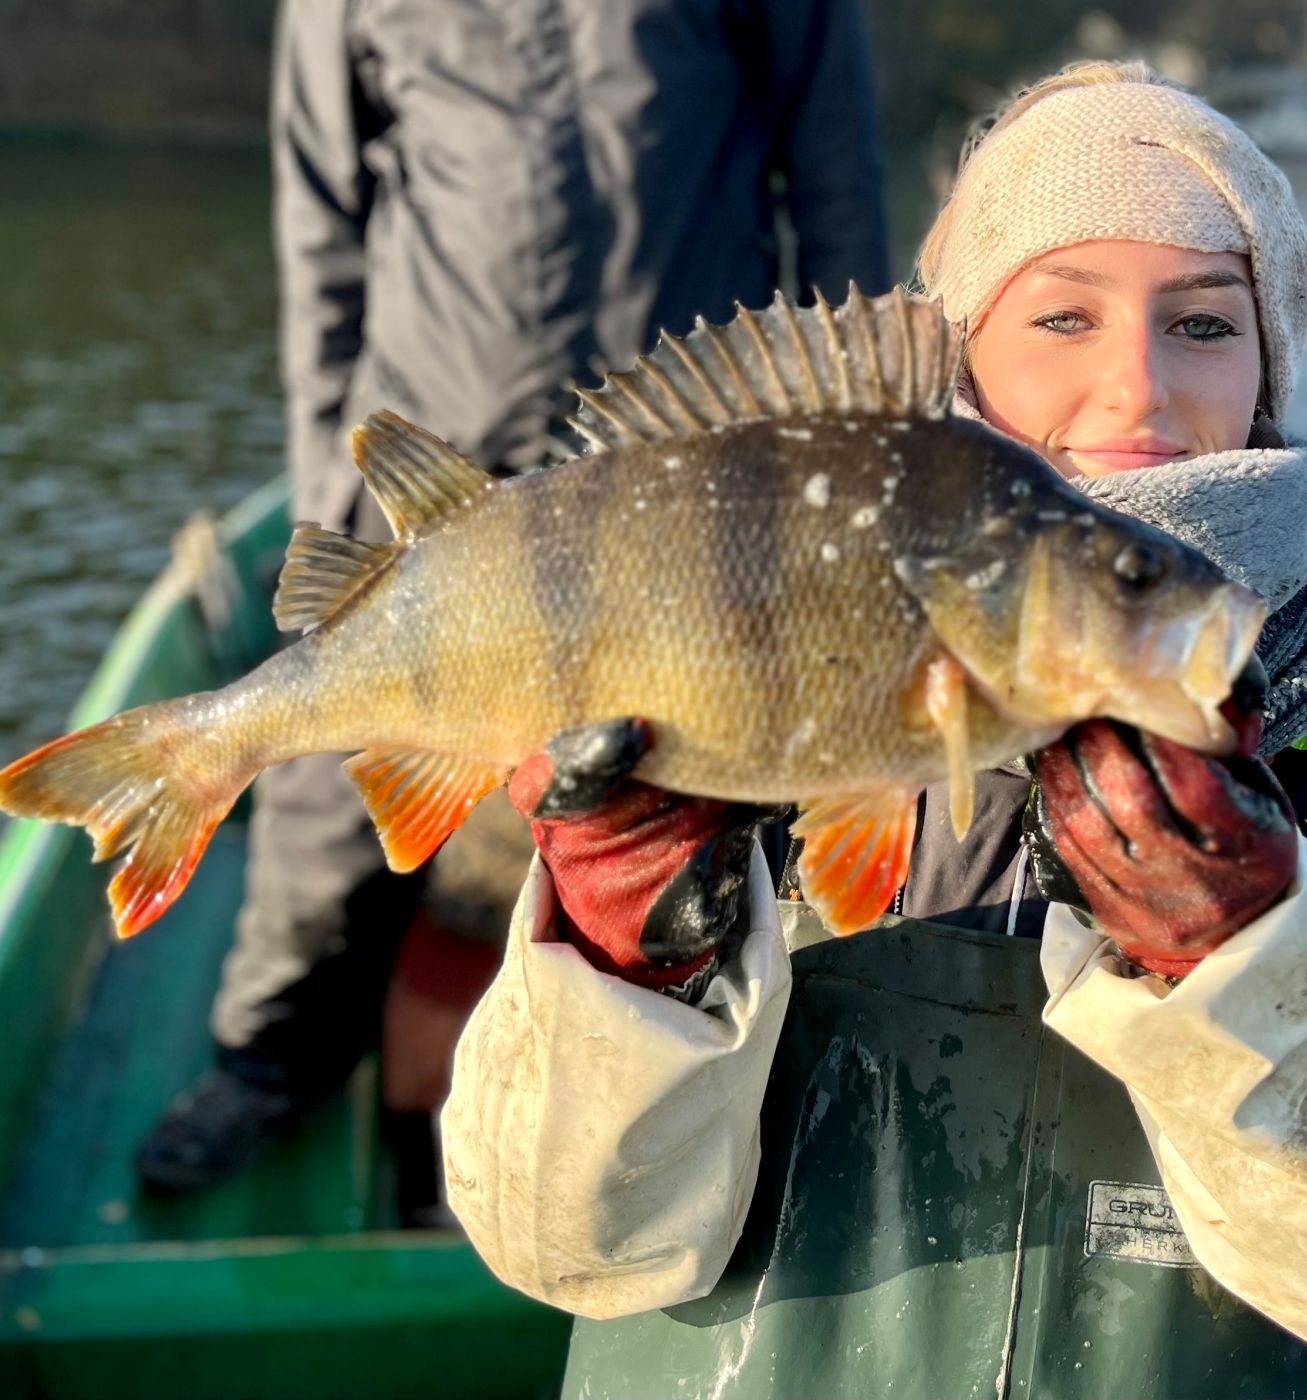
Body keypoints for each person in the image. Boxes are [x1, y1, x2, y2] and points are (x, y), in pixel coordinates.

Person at [441, 61, 1307, 1398]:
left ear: (1268, 366)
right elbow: (568, 1250)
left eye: (1201, 325)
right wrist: (622, 965)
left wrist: (1262, 961)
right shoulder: (731, 718)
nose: (1135, 389)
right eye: (1061, 317)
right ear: (957, 365)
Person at [136, 0, 890, 1191]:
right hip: (435, 416)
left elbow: (837, 179)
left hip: (683, 455)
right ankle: (274, 1052)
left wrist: (859, 456)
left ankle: (767, 1049)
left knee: (738, 754)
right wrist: (323, 461)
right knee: (341, 783)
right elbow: (321, 227)